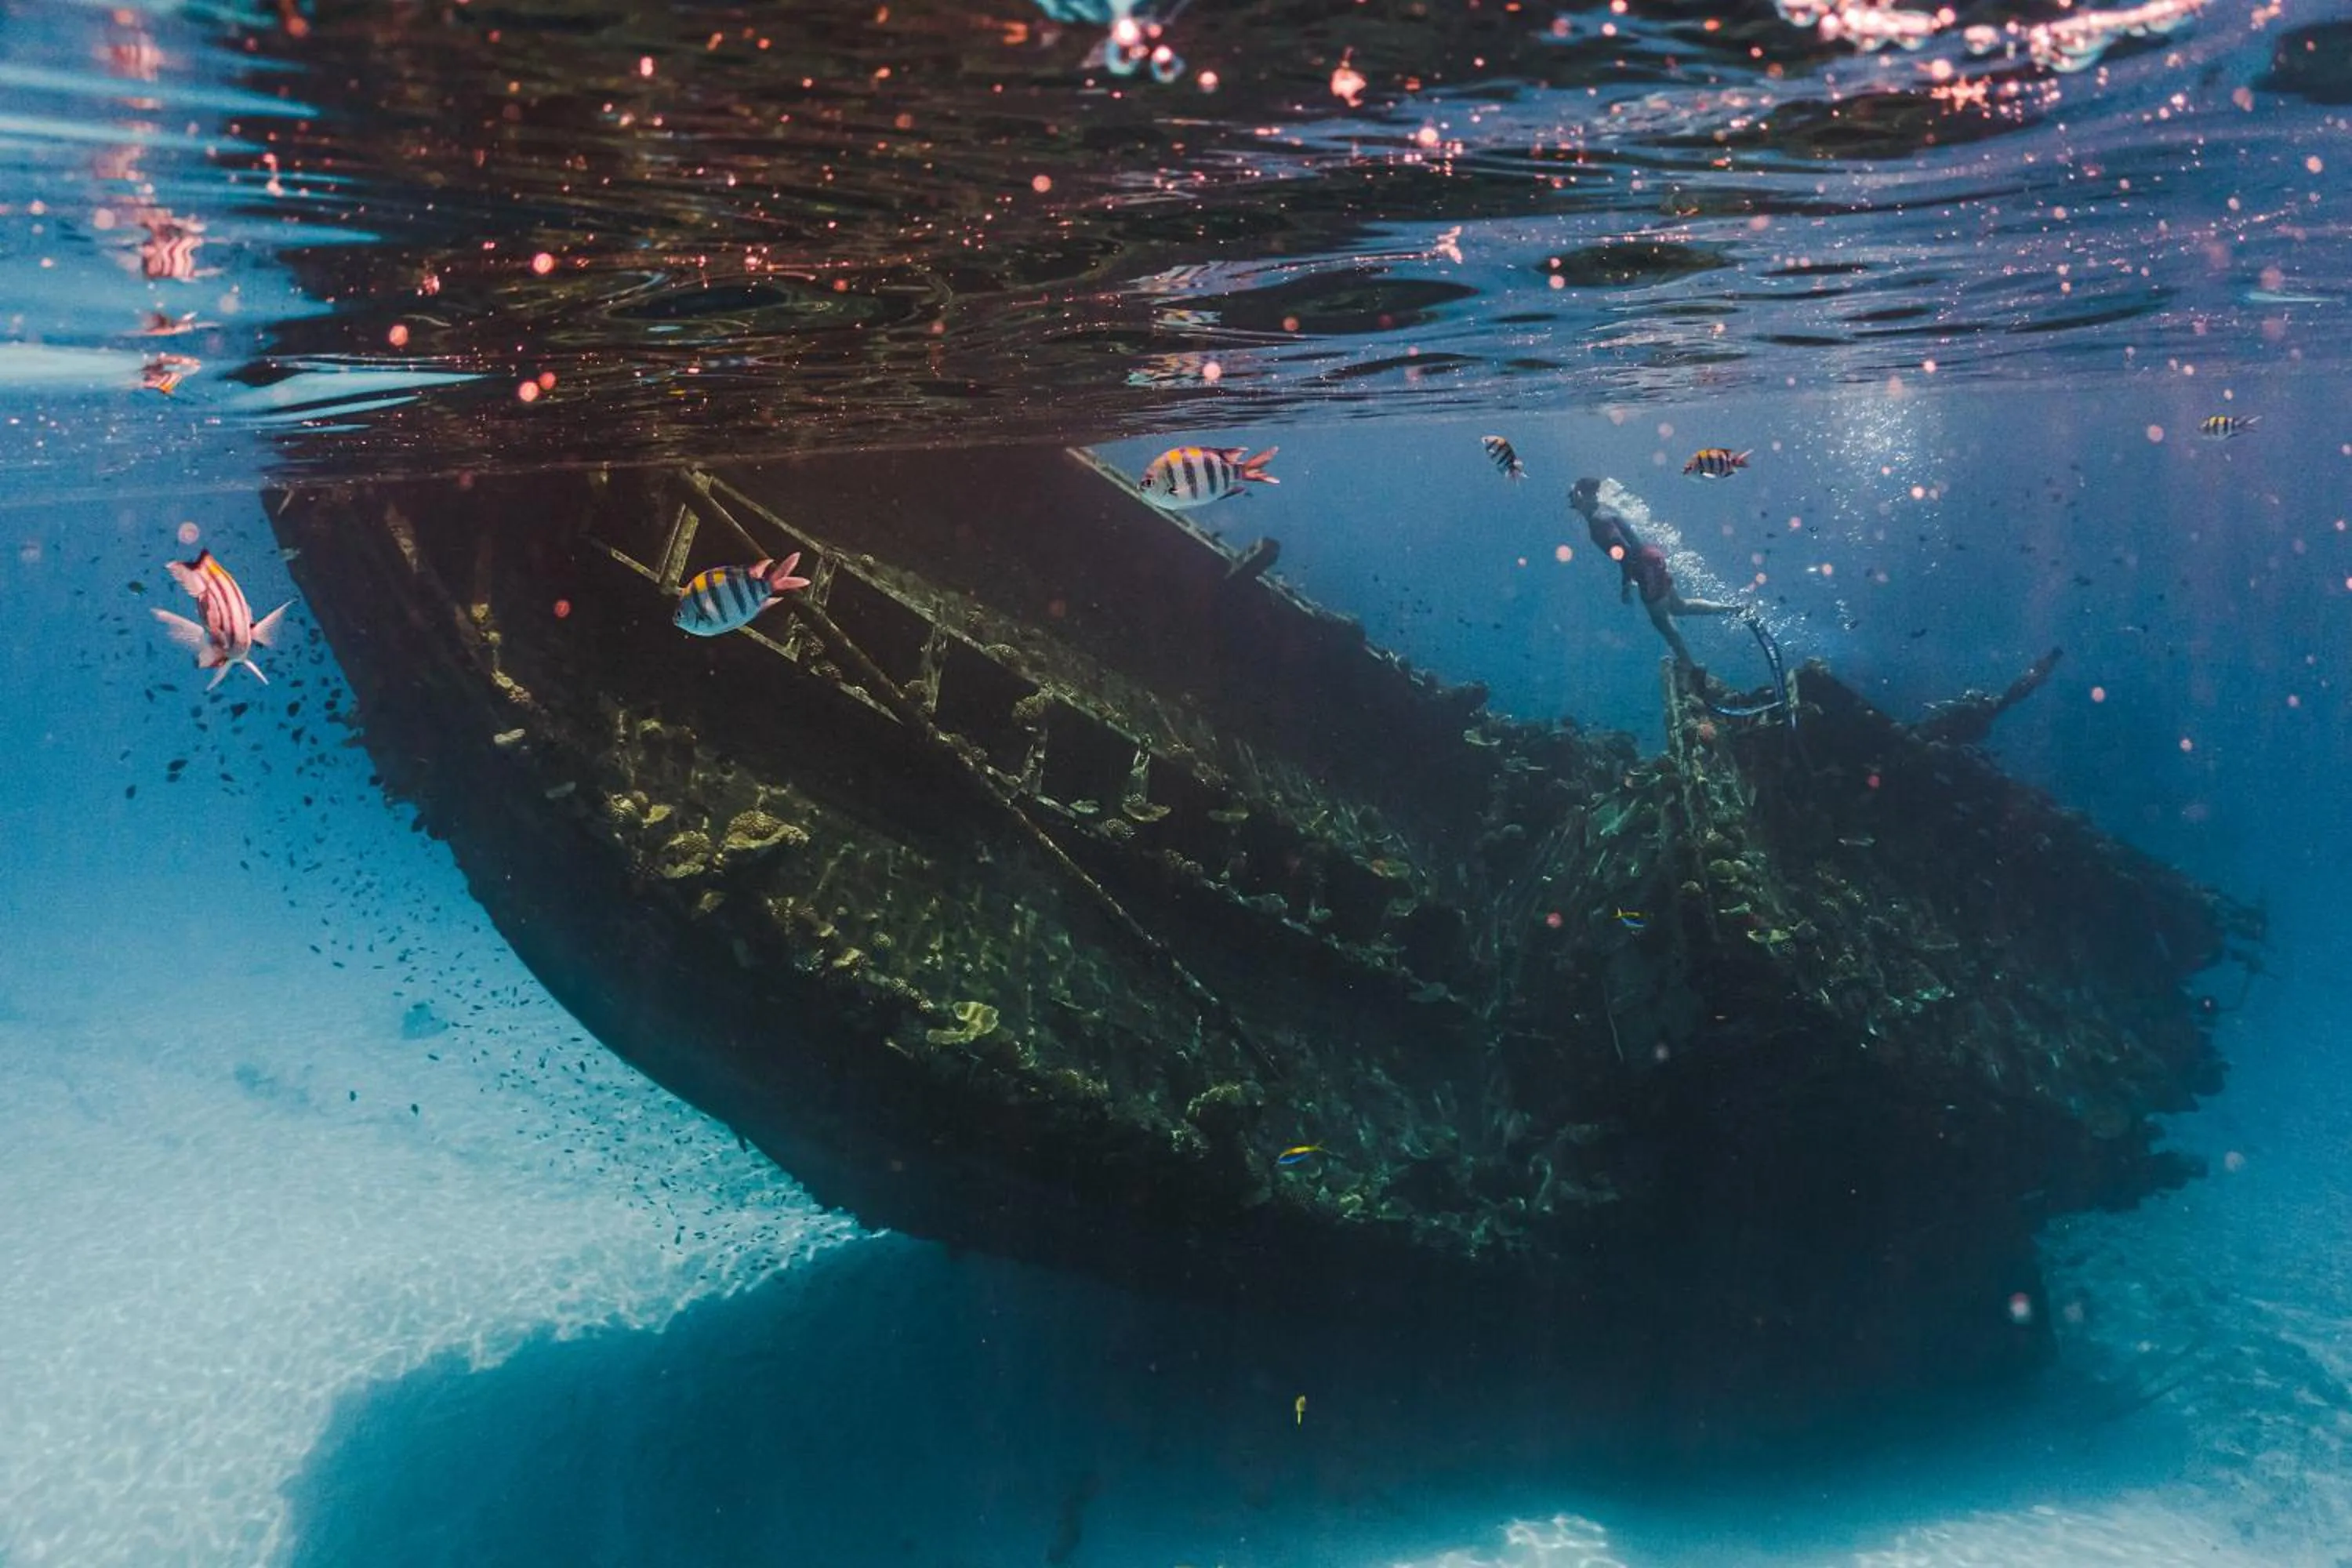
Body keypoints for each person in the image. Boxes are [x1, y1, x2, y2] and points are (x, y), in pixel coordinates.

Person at [1569, 477, 1748, 668]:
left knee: (1661, 621)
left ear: (1582, 495)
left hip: (1643, 566)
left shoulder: (1597, 520)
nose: (1570, 501)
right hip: (1651, 557)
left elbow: (1623, 549)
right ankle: (1733, 610)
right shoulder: (1603, 509)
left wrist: (1626, 584)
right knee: (1679, 607)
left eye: (1573, 496)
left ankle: (1688, 664)